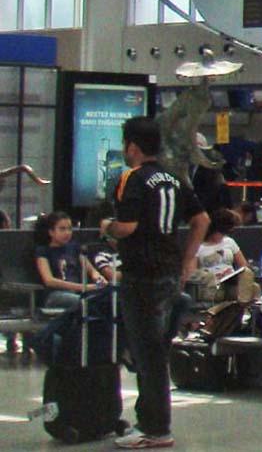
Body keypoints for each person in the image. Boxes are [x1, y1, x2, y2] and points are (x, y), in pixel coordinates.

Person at [102, 116, 210, 449]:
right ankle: (149, 420)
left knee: (147, 355)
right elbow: (201, 220)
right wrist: (188, 258)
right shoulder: (175, 178)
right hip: (169, 275)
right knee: (156, 351)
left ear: (132, 146)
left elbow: (127, 227)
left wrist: (107, 227)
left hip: (141, 276)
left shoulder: (132, 178)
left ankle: (155, 428)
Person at [34, 211, 105, 310]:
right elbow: (49, 280)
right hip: (55, 295)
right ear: (51, 232)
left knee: (104, 300)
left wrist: (99, 280)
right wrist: (82, 287)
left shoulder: (75, 248)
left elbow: (92, 271)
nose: (67, 233)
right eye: (62, 229)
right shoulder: (43, 251)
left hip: (77, 293)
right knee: (86, 302)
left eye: (69, 229)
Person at [194, 209, 260, 303]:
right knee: (240, 292)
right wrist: (208, 276)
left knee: (253, 284)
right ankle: (243, 306)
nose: (220, 237)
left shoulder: (229, 242)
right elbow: (193, 271)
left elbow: (243, 265)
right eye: (218, 233)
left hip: (230, 281)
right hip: (213, 283)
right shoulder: (198, 246)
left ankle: (248, 307)